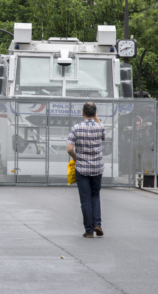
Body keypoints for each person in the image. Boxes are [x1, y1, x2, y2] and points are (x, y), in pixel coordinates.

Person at [66, 102, 106, 239]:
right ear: (95, 114)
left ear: (82, 113)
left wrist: (76, 158)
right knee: (95, 195)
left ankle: (89, 230)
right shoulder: (100, 127)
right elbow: (103, 136)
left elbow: (69, 148)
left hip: (82, 168)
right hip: (97, 168)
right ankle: (97, 224)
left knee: (85, 200)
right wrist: (96, 118)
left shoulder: (76, 128)